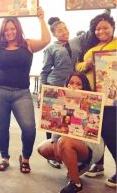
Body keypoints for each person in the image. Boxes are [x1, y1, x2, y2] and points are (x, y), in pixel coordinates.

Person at [0, 6, 51, 173]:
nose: (9, 32)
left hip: (22, 93)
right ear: (3, 32)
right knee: (2, 126)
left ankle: (25, 158)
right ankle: (4, 157)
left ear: (18, 29)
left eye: (12, 28)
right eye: (6, 29)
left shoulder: (29, 44)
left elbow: (46, 40)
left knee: (29, 127)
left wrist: (41, 18)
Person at [37, 72, 105, 193]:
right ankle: (76, 166)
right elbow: (56, 125)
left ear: (84, 87)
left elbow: (94, 131)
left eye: (79, 84)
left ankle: (76, 183)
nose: (74, 86)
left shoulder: (93, 101)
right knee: (42, 148)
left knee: (65, 142)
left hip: (91, 145)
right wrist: (55, 142)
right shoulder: (62, 99)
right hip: (67, 140)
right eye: (71, 83)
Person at [75, 13, 117, 188]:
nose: (101, 31)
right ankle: (98, 164)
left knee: (111, 133)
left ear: (112, 27)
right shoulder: (92, 45)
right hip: (91, 97)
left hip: (111, 97)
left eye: (105, 27)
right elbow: (78, 67)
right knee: (95, 132)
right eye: (98, 28)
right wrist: (88, 65)